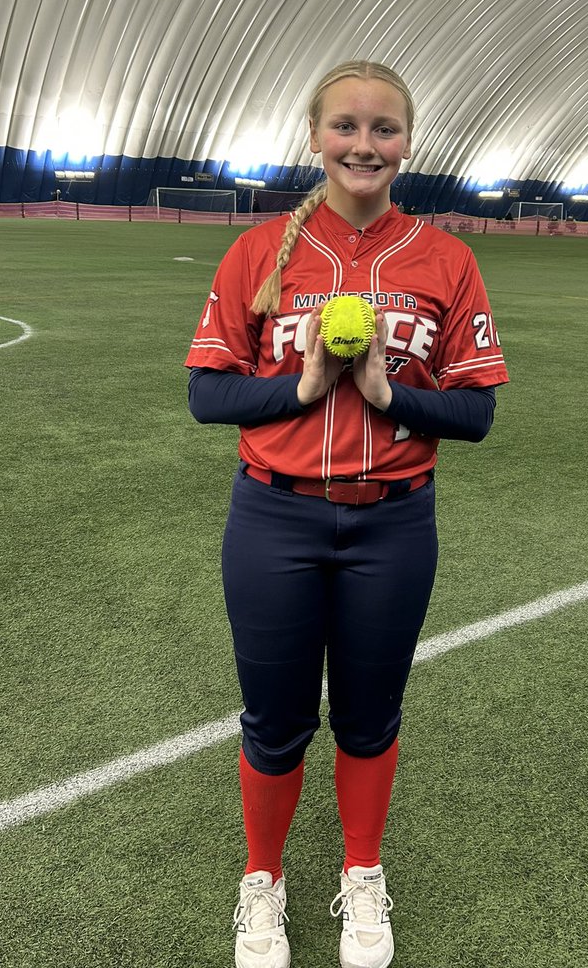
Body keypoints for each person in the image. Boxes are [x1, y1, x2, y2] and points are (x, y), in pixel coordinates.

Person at [185, 60, 508, 968]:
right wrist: (300, 388)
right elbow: (207, 395)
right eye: (347, 126)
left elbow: (477, 412)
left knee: (370, 716)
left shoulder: (446, 259)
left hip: (393, 527)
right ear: (315, 137)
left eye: (384, 129)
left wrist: (387, 393)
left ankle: (362, 871)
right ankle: (263, 880)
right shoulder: (259, 253)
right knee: (275, 718)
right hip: (274, 520)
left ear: (407, 142)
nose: (364, 145)